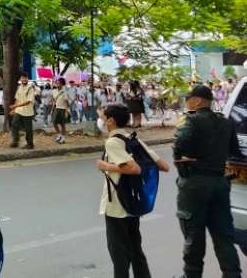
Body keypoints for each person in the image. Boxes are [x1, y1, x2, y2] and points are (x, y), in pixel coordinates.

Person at [172, 85, 242, 278]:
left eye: (188, 98)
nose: (186, 102)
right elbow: (235, 152)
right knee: (224, 236)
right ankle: (232, 274)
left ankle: (192, 275)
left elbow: (179, 149)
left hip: (194, 185)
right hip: (219, 183)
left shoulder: (191, 121)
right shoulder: (226, 122)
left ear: (198, 101)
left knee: (194, 237)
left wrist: (191, 158)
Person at [96, 104, 169, 278]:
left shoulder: (113, 142)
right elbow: (163, 166)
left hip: (117, 205)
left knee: (119, 253)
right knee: (135, 249)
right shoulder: (132, 139)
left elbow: (134, 168)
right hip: (133, 202)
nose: (101, 121)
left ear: (111, 121)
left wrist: (107, 166)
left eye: (102, 117)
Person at [10, 73, 36, 149]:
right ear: (20, 79)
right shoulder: (19, 87)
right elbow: (17, 99)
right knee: (14, 125)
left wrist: (15, 106)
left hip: (27, 112)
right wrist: (14, 109)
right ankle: (15, 141)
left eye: (25, 78)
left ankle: (30, 144)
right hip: (19, 111)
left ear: (27, 79)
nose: (24, 79)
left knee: (28, 129)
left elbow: (28, 101)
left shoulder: (30, 88)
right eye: (22, 78)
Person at [52, 78, 70, 145]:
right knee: (54, 122)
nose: (57, 84)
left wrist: (66, 111)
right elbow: (53, 99)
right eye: (57, 83)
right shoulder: (54, 91)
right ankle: (59, 134)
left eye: (59, 83)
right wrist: (52, 107)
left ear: (62, 84)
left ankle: (63, 138)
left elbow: (66, 101)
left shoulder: (64, 91)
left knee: (62, 124)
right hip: (56, 108)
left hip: (62, 109)